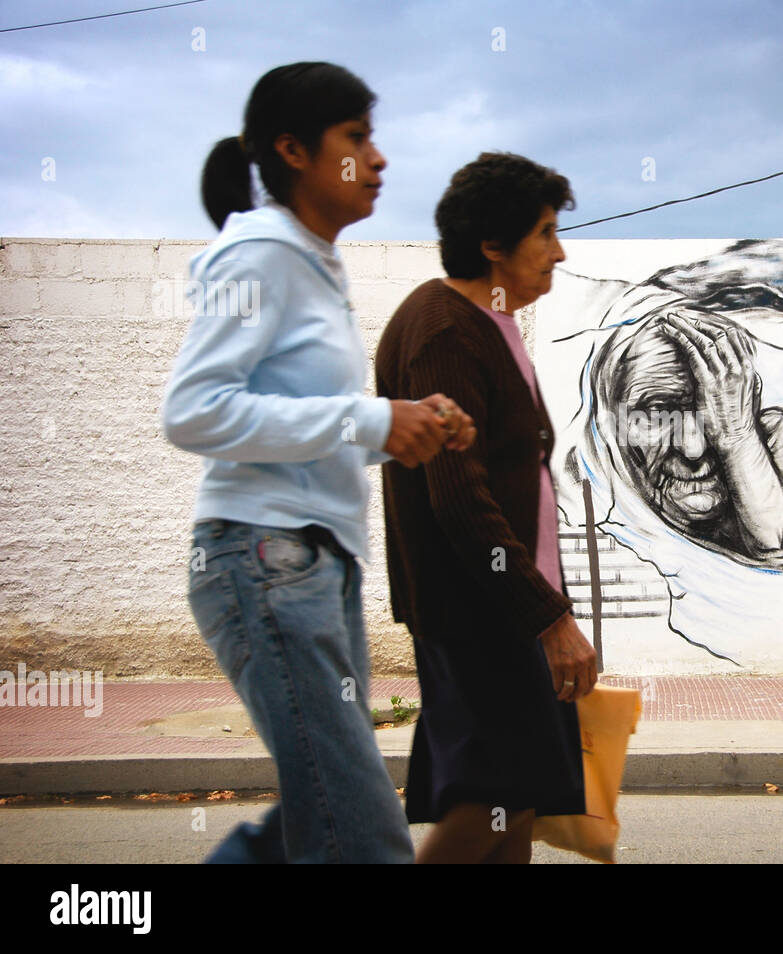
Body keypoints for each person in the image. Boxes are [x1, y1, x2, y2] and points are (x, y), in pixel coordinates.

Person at [160, 62, 475, 863]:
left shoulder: (315, 265)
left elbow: (309, 429)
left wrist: (404, 430)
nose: (379, 158)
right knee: (358, 832)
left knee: (318, 813)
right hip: (263, 555)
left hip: (315, 563)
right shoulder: (261, 256)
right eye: (357, 137)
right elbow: (194, 411)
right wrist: (368, 416)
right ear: (294, 150)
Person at [375, 152, 597, 864]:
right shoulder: (445, 329)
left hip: (505, 609)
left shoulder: (490, 324)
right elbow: (460, 498)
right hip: (480, 614)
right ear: (493, 243)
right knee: (489, 802)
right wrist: (549, 618)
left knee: (514, 801)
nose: (559, 252)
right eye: (545, 233)